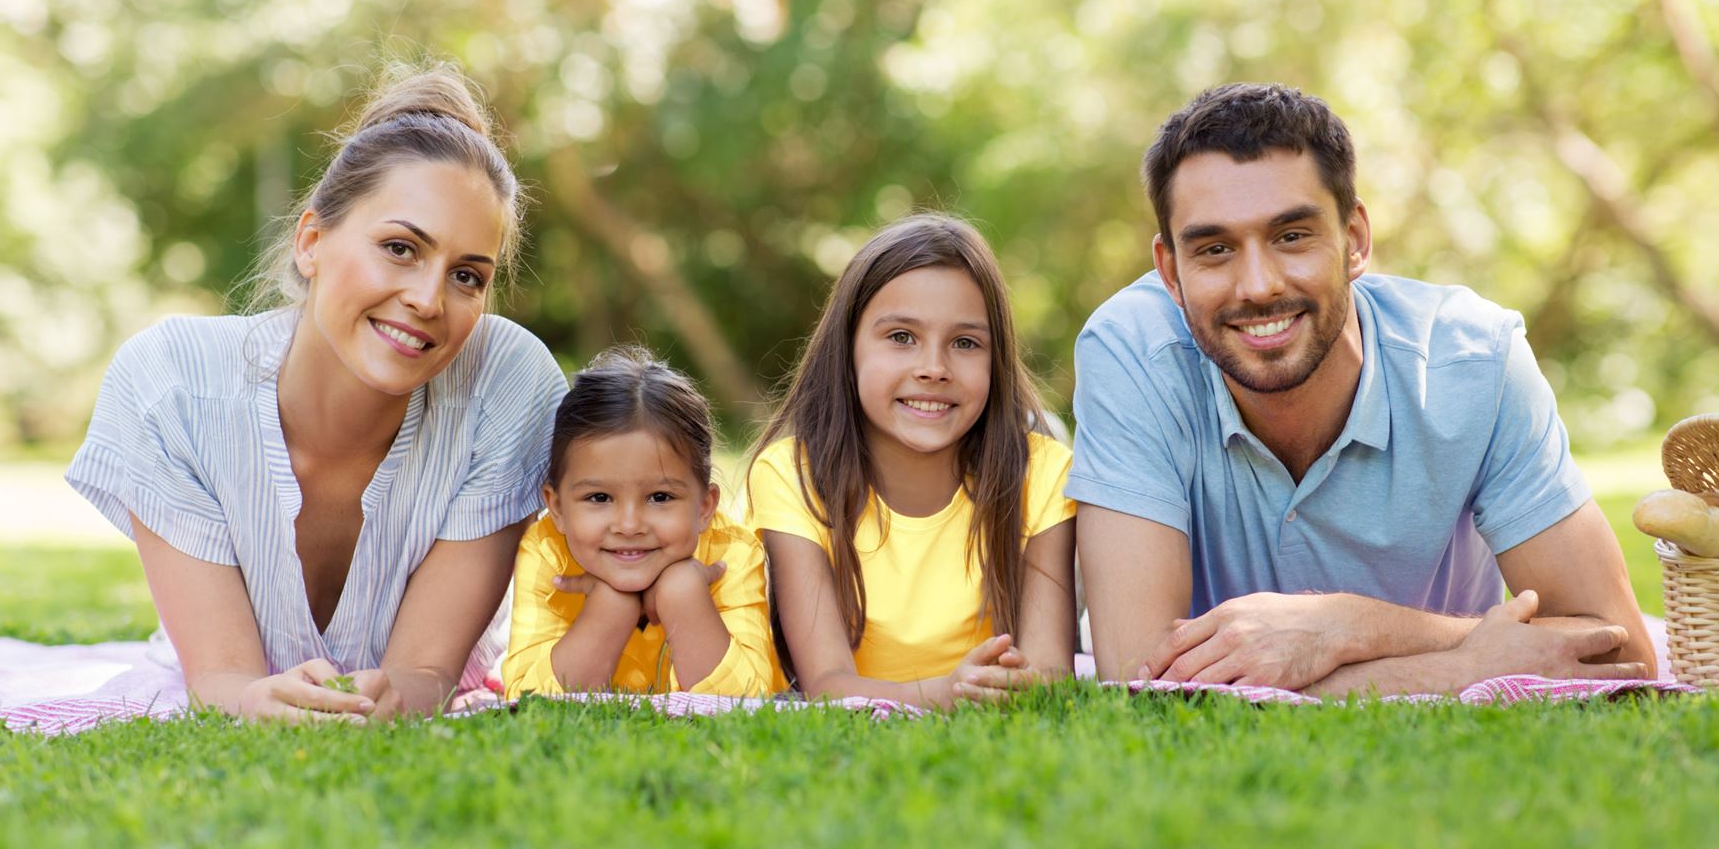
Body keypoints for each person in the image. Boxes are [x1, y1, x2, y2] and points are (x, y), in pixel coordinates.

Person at [1071, 83, 1653, 695]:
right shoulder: (1131, 351)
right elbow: (1142, 679)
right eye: (1215, 250)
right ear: (1170, 271)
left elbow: (1619, 653)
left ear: (1355, 239)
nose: (1259, 285)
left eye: (1292, 236)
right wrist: (1465, 663)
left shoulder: (1475, 359)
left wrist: (1348, 627)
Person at [66, 63, 565, 721]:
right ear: (311, 242)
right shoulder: (172, 384)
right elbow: (220, 678)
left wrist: (397, 698)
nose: (427, 299)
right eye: (399, 247)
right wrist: (249, 699)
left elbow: (425, 674)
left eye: (467, 277)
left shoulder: (507, 385)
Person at [747, 215, 1076, 710]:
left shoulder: (1043, 471)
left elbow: (1048, 675)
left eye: (965, 343)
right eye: (901, 337)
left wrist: (1009, 686)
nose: (933, 369)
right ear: (848, 348)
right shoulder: (793, 473)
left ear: (996, 357)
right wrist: (948, 693)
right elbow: (828, 685)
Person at [503, 347, 783, 697]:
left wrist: (684, 596)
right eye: (599, 498)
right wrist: (609, 609)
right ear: (556, 508)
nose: (630, 525)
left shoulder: (733, 554)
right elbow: (528, 700)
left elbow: (748, 700)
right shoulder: (546, 552)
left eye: (660, 497)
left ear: (704, 507)